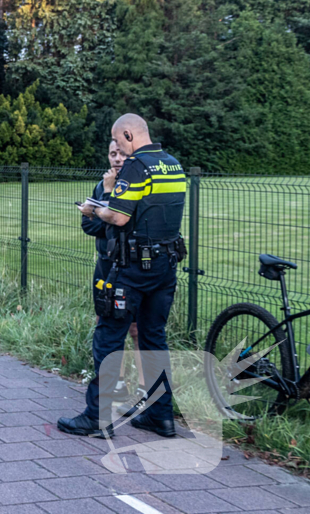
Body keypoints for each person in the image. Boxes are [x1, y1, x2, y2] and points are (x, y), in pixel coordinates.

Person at [59, 114, 186, 439]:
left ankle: (97, 418)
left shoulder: (137, 166)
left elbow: (117, 216)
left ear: (129, 135)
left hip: (132, 269)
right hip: (165, 266)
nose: (119, 150)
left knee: (109, 339)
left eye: (119, 141)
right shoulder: (173, 165)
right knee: (154, 339)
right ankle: (161, 417)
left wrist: (94, 210)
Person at [81, 141, 145, 406]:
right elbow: (88, 225)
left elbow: (120, 224)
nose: (117, 159)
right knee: (103, 320)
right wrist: (103, 217)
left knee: (136, 328)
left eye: (122, 153)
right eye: (112, 154)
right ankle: (116, 383)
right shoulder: (102, 184)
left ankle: (144, 388)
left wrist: (101, 209)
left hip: (129, 266)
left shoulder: (136, 184)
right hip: (105, 264)